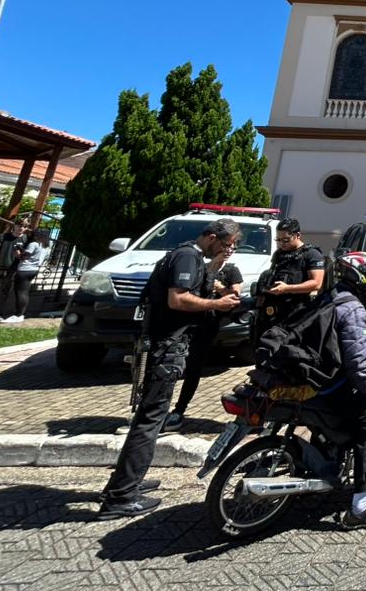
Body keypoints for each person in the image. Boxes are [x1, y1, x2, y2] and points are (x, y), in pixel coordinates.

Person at [98, 219, 242, 519]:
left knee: (149, 418)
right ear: (213, 237)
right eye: (226, 244)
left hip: (166, 345)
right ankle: (121, 496)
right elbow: (178, 299)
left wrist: (216, 264)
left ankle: (126, 481)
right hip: (166, 347)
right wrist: (215, 305)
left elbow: (197, 284)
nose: (228, 250)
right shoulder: (187, 256)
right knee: (150, 421)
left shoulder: (192, 256)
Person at [322, 251, 366, 528]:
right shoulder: (353, 308)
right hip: (335, 384)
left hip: (319, 380)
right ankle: (361, 506)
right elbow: (357, 360)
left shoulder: (328, 297)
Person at [162, 245, 244, 432]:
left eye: (232, 248)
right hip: (185, 323)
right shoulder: (199, 266)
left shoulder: (232, 271)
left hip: (207, 324)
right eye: (226, 247)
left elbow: (234, 297)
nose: (229, 251)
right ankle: (159, 409)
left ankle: (179, 410)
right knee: (170, 366)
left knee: (194, 367)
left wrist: (220, 287)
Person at [253, 218, 325, 342]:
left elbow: (316, 283)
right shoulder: (279, 254)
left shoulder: (311, 254)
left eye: (285, 240)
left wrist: (287, 289)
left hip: (295, 313)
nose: (281, 244)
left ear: (297, 235)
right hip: (272, 312)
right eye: (278, 240)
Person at [4, 228, 50, 322]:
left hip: (25, 269)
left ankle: (18, 315)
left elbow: (25, 256)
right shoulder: (47, 247)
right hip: (34, 269)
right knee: (24, 292)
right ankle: (20, 314)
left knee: (20, 292)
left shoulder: (34, 244)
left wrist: (18, 249)